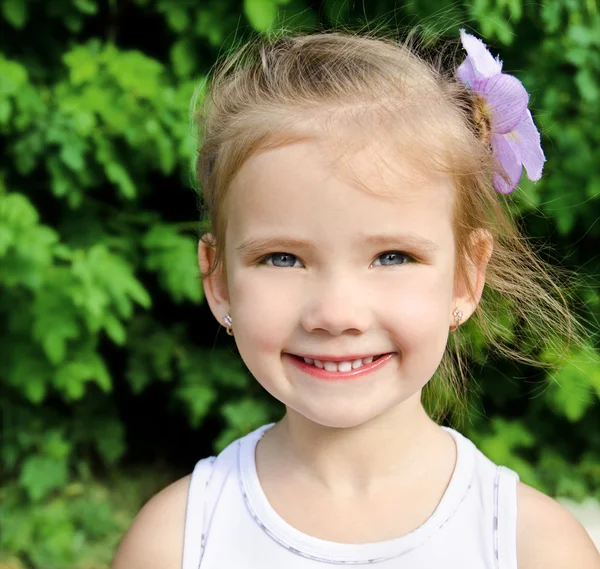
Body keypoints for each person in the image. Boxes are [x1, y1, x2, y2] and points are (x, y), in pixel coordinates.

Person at [112, 29, 600, 569]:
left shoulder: (534, 548)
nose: (336, 315)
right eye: (282, 258)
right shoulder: (175, 543)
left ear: (464, 277)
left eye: (392, 256)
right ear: (220, 281)